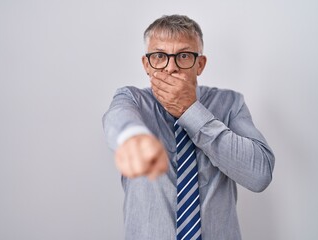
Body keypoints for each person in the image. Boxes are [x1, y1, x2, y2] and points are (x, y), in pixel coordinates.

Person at [102, 14, 275, 240]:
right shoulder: (133, 99)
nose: (171, 67)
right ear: (146, 64)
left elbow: (259, 175)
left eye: (183, 56)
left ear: (200, 64)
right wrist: (133, 138)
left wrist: (190, 111)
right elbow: (118, 119)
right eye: (159, 56)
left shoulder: (231, 103)